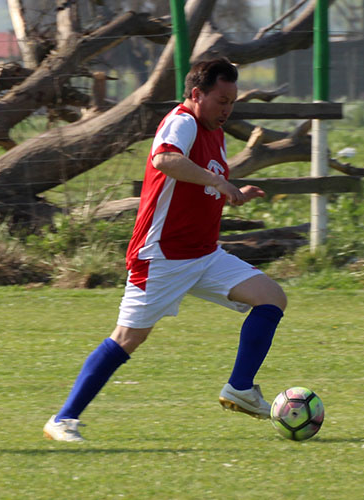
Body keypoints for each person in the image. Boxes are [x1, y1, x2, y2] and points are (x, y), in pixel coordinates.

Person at [42, 58, 287, 442]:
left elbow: (198, 187)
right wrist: (218, 182)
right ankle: (63, 419)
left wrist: (231, 192)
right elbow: (165, 159)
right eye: (221, 100)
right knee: (127, 338)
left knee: (271, 298)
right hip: (161, 256)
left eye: (232, 101)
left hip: (204, 255)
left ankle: (240, 388)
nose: (228, 109)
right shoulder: (183, 121)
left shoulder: (214, 132)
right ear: (196, 94)